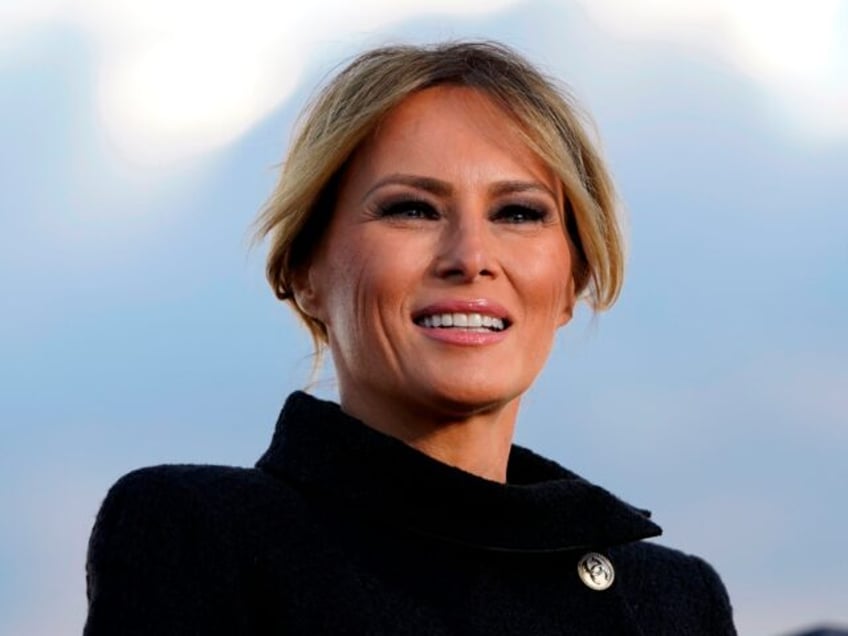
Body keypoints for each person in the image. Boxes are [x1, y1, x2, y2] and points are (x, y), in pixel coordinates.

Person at [83, 41, 736, 635]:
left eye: (518, 212)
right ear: (304, 271)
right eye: (412, 209)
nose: (471, 256)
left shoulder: (676, 601)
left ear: (571, 282)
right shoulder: (202, 533)